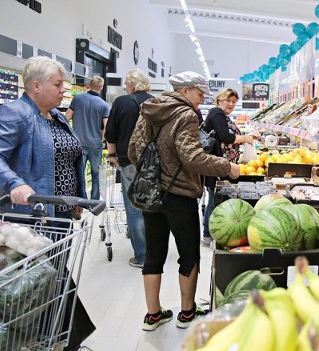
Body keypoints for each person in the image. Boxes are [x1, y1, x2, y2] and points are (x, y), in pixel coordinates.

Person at [0, 56, 95, 351]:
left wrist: (78, 197)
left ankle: (51, 336)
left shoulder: (55, 116)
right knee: (34, 283)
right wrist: (15, 183)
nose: (63, 92)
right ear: (35, 86)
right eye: (58, 85)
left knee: (51, 278)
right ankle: (36, 339)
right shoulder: (15, 113)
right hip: (29, 218)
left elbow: (70, 159)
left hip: (60, 214)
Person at [128, 71, 240, 331]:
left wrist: (154, 174)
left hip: (152, 194)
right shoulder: (186, 114)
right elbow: (193, 158)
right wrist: (227, 167)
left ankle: (153, 315)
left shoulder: (149, 109)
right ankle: (187, 313)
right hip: (180, 196)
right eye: (200, 93)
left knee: (153, 254)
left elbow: (134, 150)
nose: (202, 99)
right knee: (188, 254)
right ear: (186, 90)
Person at [105, 69, 153, 268]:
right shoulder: (155, 102)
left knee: (134, 209)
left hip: (129, 161)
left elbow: (111, 133)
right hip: (153, 162)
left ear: (133, 85)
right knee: (151, 206)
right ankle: (154, 251)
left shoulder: (122, 102)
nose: (125, 87)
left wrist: (112, 155)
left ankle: (142, 256)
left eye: (126, 83)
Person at [201, 88, 254, 246]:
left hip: (220, 164)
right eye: (228, 100)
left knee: (214, 197)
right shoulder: (217, 113)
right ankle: (207, 235)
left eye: (234, 102)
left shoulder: (222, 116)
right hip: (216, 164)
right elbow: (226, 137)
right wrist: (245, 138)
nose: (231, 104)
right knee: (214, 199)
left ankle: (209, 233)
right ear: (219, 100)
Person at [66, 76, 110, 201]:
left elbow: (66, 118)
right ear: (101, 88)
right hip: (95, 145)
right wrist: (101, 140)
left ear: (89, 85)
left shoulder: (78, 98)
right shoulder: (104, 105)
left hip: (77, 143)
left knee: (78, 174)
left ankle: (79, 202)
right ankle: (94, 201)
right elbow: (107, 127)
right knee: (96, 174)